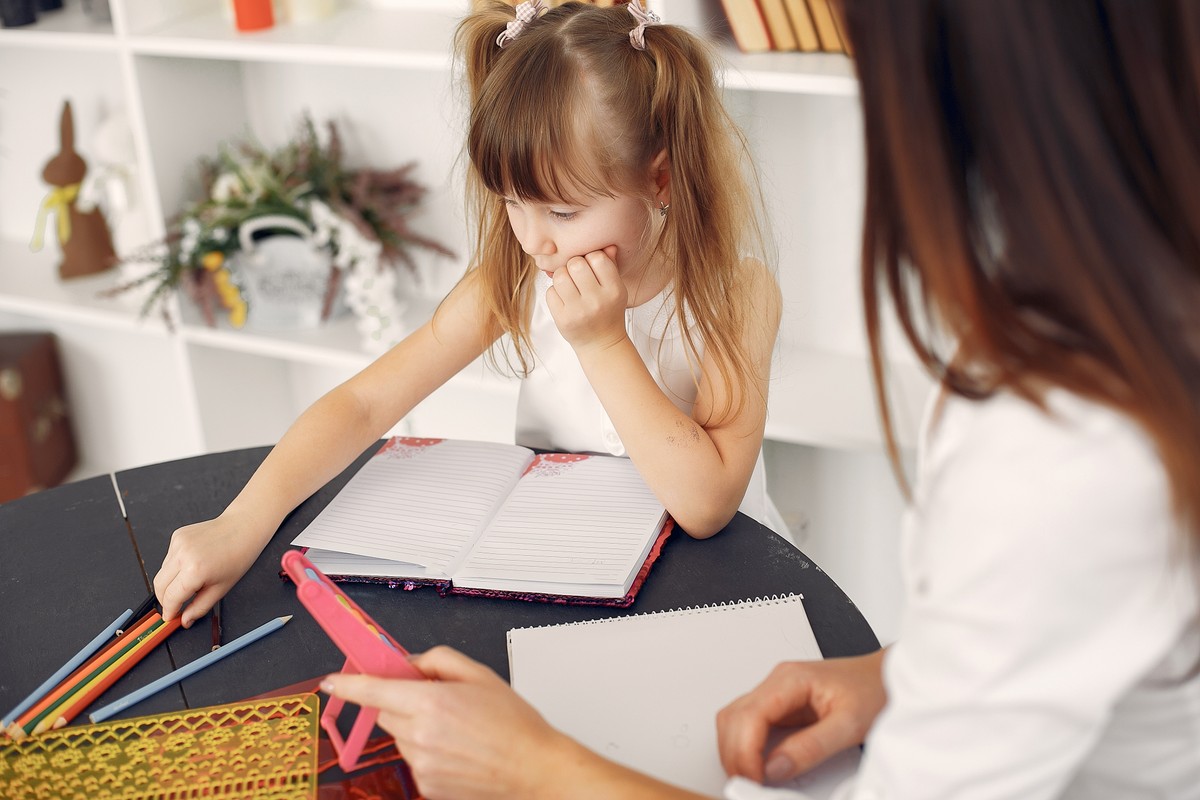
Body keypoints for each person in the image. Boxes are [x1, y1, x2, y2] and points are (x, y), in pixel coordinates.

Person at [324, 0, 1200, 798]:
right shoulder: (1116, 347)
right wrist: (901, 674)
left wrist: (536, 769)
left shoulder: (1058, 444)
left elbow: (710, 499)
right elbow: (1076, 627)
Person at [154, 0, 782, 629]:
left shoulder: (734, 293)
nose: (535, 239)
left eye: (563, 213)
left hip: (714, 589)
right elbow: (366, 404)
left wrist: (602, 344)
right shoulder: (513, 278)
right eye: (512, 202)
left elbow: (707, 505)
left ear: (661, 179)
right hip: (561, 572)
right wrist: (241, 524)